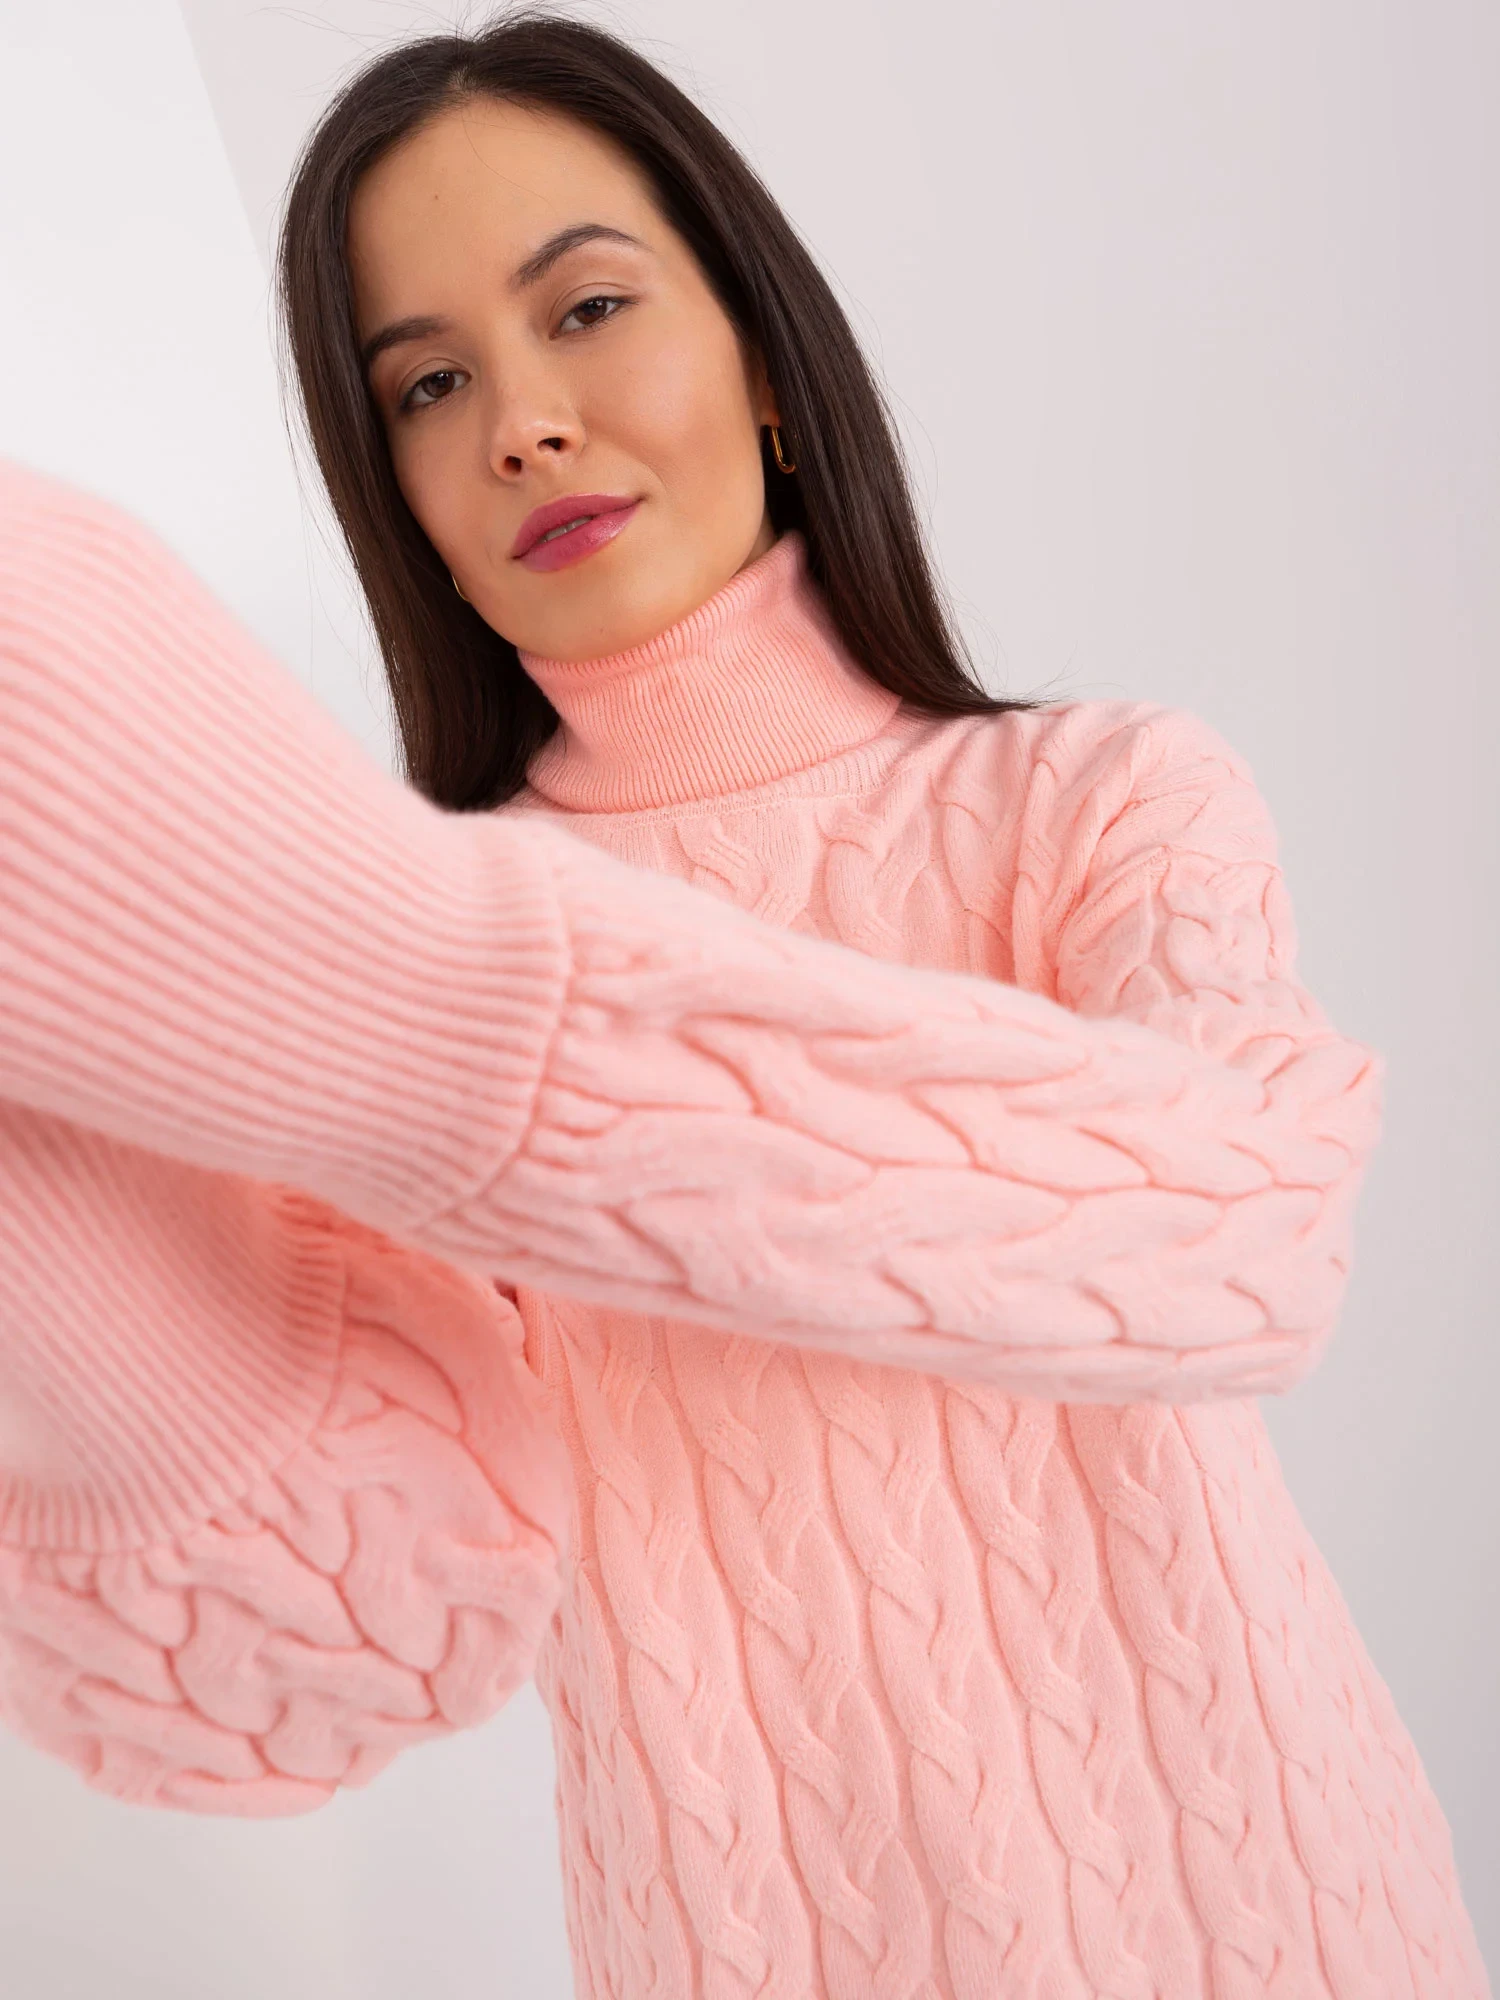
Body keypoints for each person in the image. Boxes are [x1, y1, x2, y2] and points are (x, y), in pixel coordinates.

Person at [0, 10, 1486, 1996]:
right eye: (428, 384)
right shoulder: (367, 985)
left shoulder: (1097, 802)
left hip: (1280, 1929)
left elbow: (1249, 1230)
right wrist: (44, 1160)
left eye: (587, 309)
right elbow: (336, 1654)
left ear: (768, 361)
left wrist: (446, 1011)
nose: (523, 423)